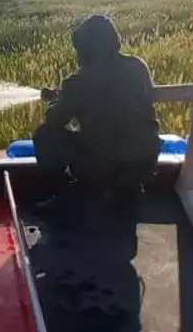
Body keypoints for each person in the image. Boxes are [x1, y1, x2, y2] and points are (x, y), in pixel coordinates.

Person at [32, 14, 161, 212]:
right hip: (144, 164)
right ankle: (129, 191)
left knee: (44, 135)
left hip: (103, 167)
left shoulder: (76, 82)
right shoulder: (138, 66)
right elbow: (114, 98)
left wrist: (61, 99)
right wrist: (67, 96)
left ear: (86, 49)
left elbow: (54, 120)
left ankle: (65, 199)